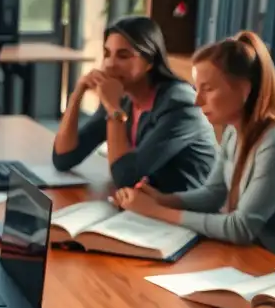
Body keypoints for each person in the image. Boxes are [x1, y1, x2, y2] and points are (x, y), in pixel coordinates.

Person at [114, 31, 275, 265]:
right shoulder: (234, 131)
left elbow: (241, 228)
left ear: (245, 89)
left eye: (208, 89)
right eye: (197, 88)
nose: (197, 101)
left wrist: (155, 211)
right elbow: (212, 195)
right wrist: (162, 199)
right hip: (268, 258)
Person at [52, 15, 217, 193]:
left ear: (149, 61)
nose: (109, 65)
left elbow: (125, 177)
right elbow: (63, 158)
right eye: (107, 54)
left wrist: (113, 108)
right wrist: (77, 93)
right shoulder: (124, 97)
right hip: (148, 204)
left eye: (123, 56)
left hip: (188, 211)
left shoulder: (180, 105)